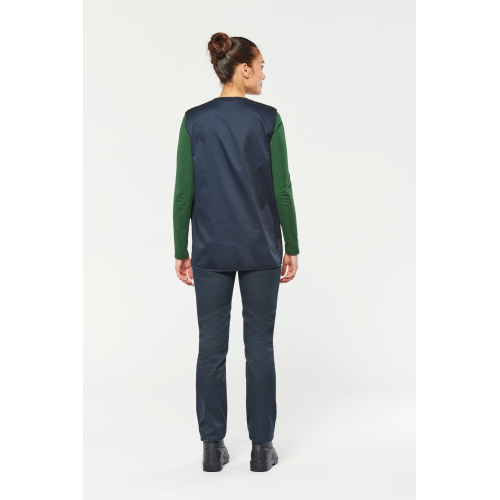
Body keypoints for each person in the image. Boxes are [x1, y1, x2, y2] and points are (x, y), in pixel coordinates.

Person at [172, 32, 300, 472]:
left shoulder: (194, 121)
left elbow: (183, 192)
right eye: (261, 66)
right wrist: (292, 245)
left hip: (210, 250)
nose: (263, 74)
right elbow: (281, 189)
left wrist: (180, 247)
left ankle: (212, 448)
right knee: (259, 347)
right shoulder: (268, 119)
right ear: (243, 69)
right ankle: (262, 449)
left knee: (211, 349)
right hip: (261, 247)